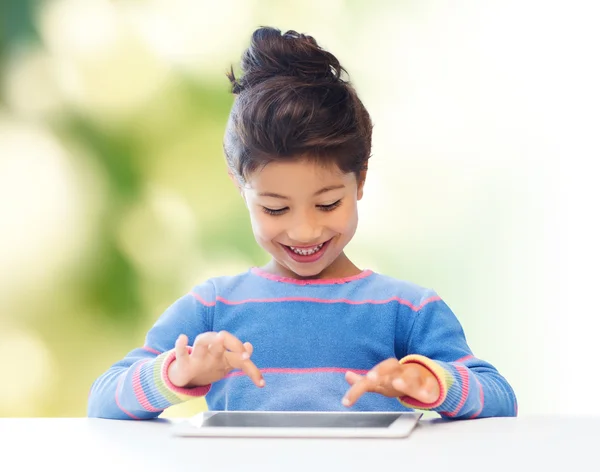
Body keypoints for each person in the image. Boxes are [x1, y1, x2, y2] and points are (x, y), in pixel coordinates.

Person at [88, 26, 517, 420]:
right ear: (241, 188)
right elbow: (103, 399)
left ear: (360, 181)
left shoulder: (406, 311)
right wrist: (176, 374)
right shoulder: (215, 308)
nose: (304, 232)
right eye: (275, 209)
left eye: (328, 204)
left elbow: (499, 397)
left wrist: (431, 382)